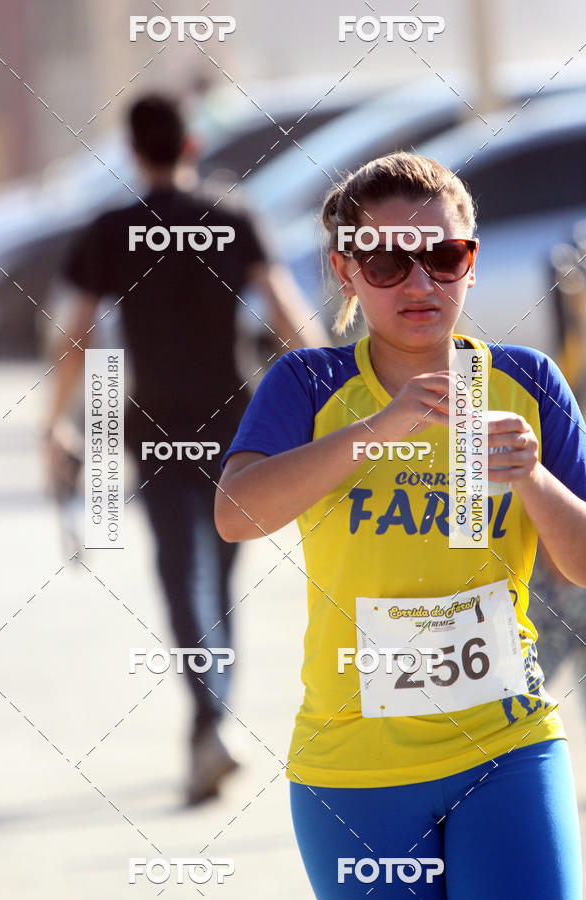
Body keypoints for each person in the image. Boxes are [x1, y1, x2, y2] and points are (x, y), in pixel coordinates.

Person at [215, 152, 586, 897]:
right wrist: (379, 429)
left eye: (444, 258)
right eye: (388, 262)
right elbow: (236, 515)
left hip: (507, 747)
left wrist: (534, 480)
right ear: (345, 271)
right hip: (355, 769)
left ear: (471, 264)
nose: (420, 284)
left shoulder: (525, 383)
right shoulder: (310, 383)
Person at [45, 93, 330, 806]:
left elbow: (73, 338)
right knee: (215, 580)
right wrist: (330, 403)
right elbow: (294, 321)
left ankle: (208, 724)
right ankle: (212, 725)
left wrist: (55, 424)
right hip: (239, 428)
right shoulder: (233, 218)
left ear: (134, 151)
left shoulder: (111, 229)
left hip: (154, 429)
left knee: (185, 579)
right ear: (192, 146)